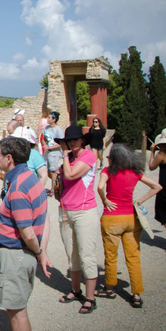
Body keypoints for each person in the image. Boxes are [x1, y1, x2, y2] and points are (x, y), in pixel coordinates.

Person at [0, 136, 51, 331]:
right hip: (20, 252)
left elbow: (26, 230)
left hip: (15, 253)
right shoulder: (30, 178)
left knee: (18, 312)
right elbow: (42, 222)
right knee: (14, 306)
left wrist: (38, 252)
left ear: (9, 158)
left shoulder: (18, 187)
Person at [97, 144, 161, 308]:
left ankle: (110, 288)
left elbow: (100, 186)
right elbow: (157, 187)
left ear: (113, 158)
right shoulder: (135, 172)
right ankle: (136, 293)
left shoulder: (108, 171)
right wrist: (139, 201)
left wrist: (105, 200)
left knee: (111, 256)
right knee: (133, 257)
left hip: (112, 218)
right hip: (131, 217)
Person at [55, 125, 99, 314]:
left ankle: (90, 297)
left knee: (86, 254)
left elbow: (72, 175)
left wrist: (64, 157)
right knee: (71, 253)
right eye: (68, 140)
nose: (72, 142)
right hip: (65, 210)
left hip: (83, 210)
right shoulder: (68, 159)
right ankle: (76, 290)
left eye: (75, 139)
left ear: (83, 140)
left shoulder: (88, 156)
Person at [42, 111, 64, 196]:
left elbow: (61, 144)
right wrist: (44, 144)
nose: (47, 119)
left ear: (54, 119)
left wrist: (50, 147)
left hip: (54, 153)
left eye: (49, 117)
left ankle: (53, 189)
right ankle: (58, 182)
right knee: (46, 171)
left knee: (52, 171)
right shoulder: (46, 128)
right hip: (47, 152)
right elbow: (44, 138)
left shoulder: (58, 130)